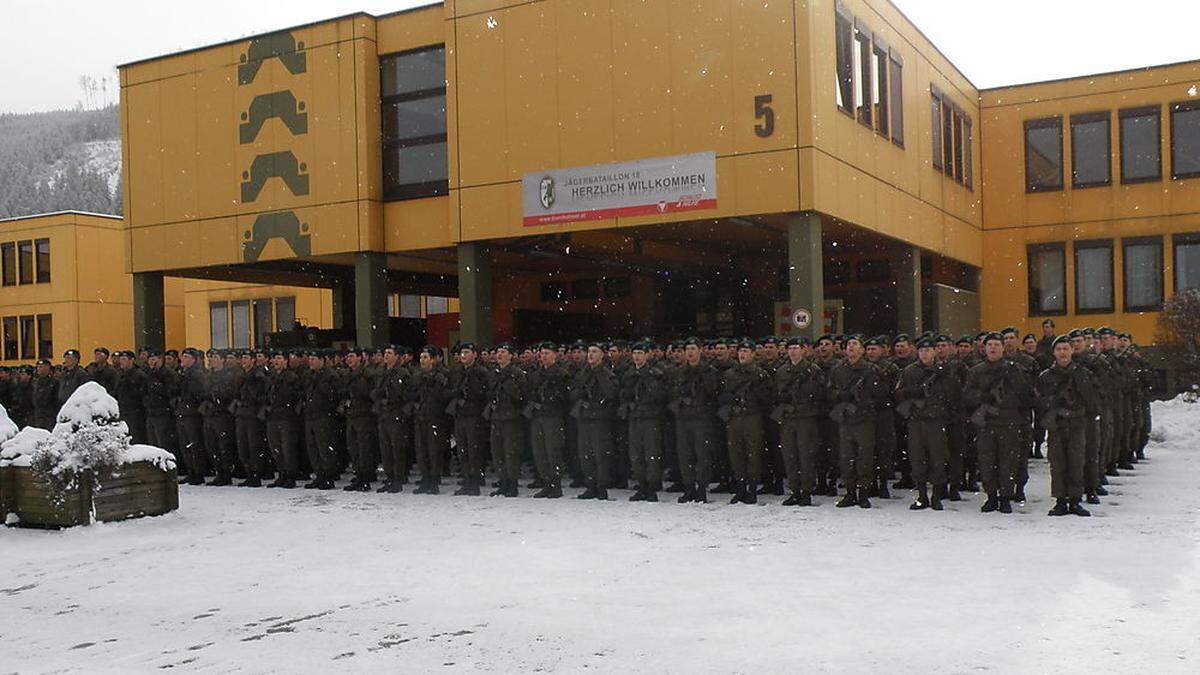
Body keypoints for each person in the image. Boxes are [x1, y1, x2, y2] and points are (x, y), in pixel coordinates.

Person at [963, 333, 1034, 514]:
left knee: (1008, 462)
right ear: (984, 348)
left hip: (1009, 422)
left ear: (1003, 348)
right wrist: (984, 397)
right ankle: (991, 496)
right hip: (986, 424)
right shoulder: (976, 371)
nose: (993, 348)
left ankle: (1005, 497)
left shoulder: (1015, 369)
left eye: (996, 344)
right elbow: (967, 396)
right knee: (987, 462)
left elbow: (1026, 394)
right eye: (990, 345)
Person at [895, 337, 959, 511]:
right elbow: (898, 393)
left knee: (938, 459)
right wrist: (912, 393)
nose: (924, 354)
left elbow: (953, 395)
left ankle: (937, 496)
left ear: (934, 352)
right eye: (922, 350)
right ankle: (922, 496)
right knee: (917, 459)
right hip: (916, 421)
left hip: (936, 421)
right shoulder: (909, 371)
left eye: (928, 350)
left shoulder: (944, 371)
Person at [1036, 335, 1097, 517]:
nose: (1062, 353)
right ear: (1054, 353)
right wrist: (1054, 404)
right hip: (1057, 425)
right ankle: (1060, 500)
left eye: (1066, 349)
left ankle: (1076, 500)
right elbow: (1039, 401)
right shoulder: (1046, 376)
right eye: (1059, 349)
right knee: (1058, 462)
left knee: (1077, 462)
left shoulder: (1082, 373)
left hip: (1077, 423)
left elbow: (1092, 400)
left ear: (1072, 351)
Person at [829, 334, 886, 509]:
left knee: (864, 458)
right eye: (849, 345)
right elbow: (828, 391)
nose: (851, 347)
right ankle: (850, 492)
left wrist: (863, 397)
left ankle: (863, 493)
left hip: (864, 419)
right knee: (846, 458)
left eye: (855, 344)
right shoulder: (838, 369)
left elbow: (881, 394)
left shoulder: (871, 370)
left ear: (862, 350)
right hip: (846, 419)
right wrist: (839, 396)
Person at [773, 337, 826, 506]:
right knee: (790, 455)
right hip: (788, 417)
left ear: (803, 350)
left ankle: (806, 491)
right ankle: (794, 490)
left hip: (806, 417)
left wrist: (804, 392)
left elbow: (820, 393)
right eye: (790, 348)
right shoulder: (782, 371)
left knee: (806, 455)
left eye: (796, 347)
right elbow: (776, 393)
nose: (793, 351)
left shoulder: (812, 369)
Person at [719, 340, 772, 504]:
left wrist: (754, 391)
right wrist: (730, 398)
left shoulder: (760, 374)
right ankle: (740, 486)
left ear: (753, 354)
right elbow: (720, 395)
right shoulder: (729, 375)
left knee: (753, 453)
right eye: (741, 351)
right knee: (736, 454)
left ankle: (752, 488)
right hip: (734, 417)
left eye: (746, 351)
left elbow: (768, 397)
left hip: (752, 416)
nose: (742, 354)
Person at [669, 337, 720, 503]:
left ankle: (701, 488)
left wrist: (702, 374)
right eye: (687, 349)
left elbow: (713, 392)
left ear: (700, 350)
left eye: (693, 349)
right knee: (685, 455)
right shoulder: (678, 371)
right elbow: (671, 393)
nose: (690, 352)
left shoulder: (709, 370)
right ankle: (689, 486)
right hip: (683, 418)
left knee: (702, 454)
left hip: (701, 418)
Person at [620, 341, 668, 502]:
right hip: (634, 417)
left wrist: (646, 377)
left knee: (652, 454)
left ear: (647, 355)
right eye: (635, 353)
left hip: (650, 418)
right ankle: (641, 485)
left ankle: (651, 487)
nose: (637, 357)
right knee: (636, 455)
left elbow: (659, 395)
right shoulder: (629, 374)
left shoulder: (656, 373)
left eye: (640, 353)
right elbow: (622, 394)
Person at [572, 342, 619, 500]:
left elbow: (611, 392)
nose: (590, 355)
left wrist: (598, 372)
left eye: (594, 352)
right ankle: (590, 485)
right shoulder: (583, 373)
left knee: (601, 454)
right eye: (589, 351)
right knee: (585, 454)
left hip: (600, 419)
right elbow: (573, 393)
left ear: (602, 355)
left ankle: (601, 486)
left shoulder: (607, 373)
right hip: (585, 417)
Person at [526, 342, 571, 499]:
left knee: (553, 452)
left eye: (547, 353)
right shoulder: (537, 374)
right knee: (540, 452)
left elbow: (564, 398)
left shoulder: (561, 374)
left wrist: (549, 396)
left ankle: (555, 485)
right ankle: (546, 482)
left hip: (553, 417)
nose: (543, 356)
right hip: (538, 416)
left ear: (554, 355)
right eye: (542, 353)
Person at [449, 343, 493, 496]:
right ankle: (467, 481)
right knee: (462, 451)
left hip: (474, 416)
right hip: (460, 415)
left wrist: (471, 386)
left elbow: (485, 394)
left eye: (467, 352)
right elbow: (449, 390)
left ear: (475, 354)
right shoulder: (457, 371)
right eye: (462, 352)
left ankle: (474, 483)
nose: (463, 355)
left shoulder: (481, 372)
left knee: (474, 451)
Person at [411, 345, 452, 494]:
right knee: (421, 451)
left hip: (435, 418)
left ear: (433, 360)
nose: (422, 360)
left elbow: (445, 396)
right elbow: (411, 394)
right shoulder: (417, 376)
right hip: (421, 417)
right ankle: (425, 479)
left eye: (426, 357)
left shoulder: (441, 376)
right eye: (421, 357)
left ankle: (434, 481)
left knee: (434, 451)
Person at [233, 350, 269, 487]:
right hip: (241, 414)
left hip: (253, 415)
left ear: (253, 360)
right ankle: (249, 473)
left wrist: (250, 383)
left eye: (246, 358)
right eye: (242, 357)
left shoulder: (258, 375)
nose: (243, 360)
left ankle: (256, 474)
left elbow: (261, 396)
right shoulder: (241, 375)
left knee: (254, 446)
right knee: (243, 447)